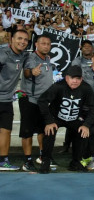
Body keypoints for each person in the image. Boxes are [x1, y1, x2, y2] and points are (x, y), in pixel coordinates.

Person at [37, 65, 94, 173]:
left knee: (83, 132)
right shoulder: (58, 86)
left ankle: (76, 162)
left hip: (74, 118)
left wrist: (86, 124)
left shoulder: (86, 88)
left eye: (78, 78)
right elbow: (42, 101)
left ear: (81, 79)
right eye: (72, 78)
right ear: (66, 78)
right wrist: (49, 121)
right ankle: (45, 161)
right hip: (56, 117)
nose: (75, 81)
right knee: (49, 132)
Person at [19, 34, 54, 172]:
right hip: (29, 99)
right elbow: (27, 72)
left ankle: (42, 156)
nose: (46, 46)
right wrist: (32, 72)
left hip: (43, 102)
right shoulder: (31, 57)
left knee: (42, 130)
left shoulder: (47, 59)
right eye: (43, 43)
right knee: (27, 132)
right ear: (36, 45)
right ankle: (27, 161)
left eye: (48, 44)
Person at [0, 29, 29, 171]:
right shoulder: (2, 53)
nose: (22, 42)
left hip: (6, 99)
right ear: (12, 39)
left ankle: (3, 161)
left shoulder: (24, 55)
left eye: (25, 40)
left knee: (5, 130)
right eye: (19, 38)